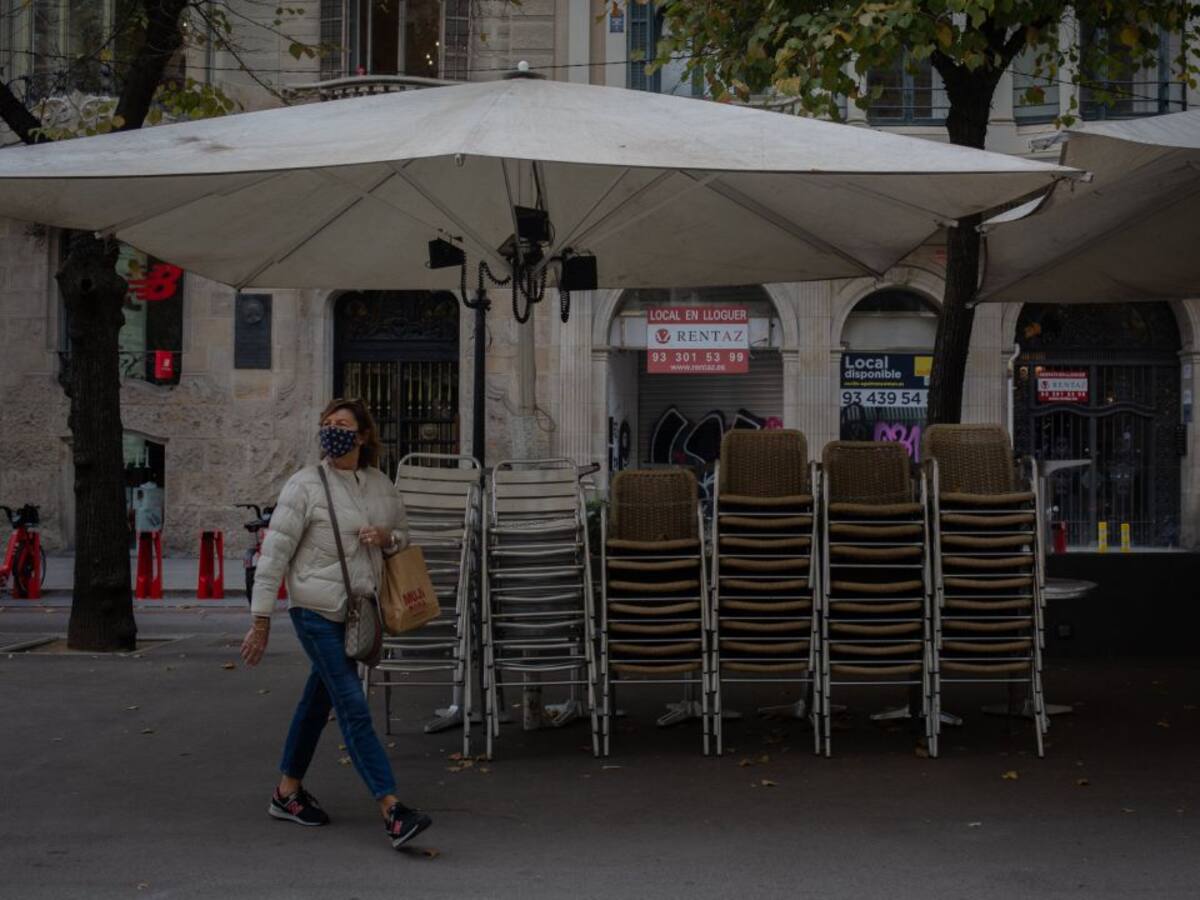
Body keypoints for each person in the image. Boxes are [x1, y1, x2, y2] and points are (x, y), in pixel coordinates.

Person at [240, 398, 432, 850]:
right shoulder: (304, 485)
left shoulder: (381, 486)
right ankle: (392, 809)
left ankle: (286, 792)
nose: (333, 431)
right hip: (314, 610)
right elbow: (275, 554)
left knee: (317, 700)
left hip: (358, 612)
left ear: (362, 435)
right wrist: (260, 620)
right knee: (351, 703)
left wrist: (387, 538)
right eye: (327, 425)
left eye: (342, 425)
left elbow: (405, 535)